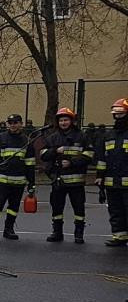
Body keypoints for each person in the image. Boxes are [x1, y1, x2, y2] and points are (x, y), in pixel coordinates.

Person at [40, 107, 92, 244]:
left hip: (76, 181)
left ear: (71, 121)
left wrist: (71, 162)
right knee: (57, 207)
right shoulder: (52, 138)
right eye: (61, 120)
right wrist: (55, 151)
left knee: (79, 208)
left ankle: (79, 234)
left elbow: (89, 155)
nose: (63, 123)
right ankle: (57, 232)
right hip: (58, 180)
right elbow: (43, 155)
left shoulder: (81, 136)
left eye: (66, 120)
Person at [0, 114, 36, 241]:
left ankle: (9, 229)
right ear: (7, 124)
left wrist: (31, 183)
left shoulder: (26, 142)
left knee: (13, 208)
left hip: (19, 182)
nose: (13, 125)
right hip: (1, 181)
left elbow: (30, 164)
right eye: (10, 122)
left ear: (21, 124)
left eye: (16, 122)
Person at [94, 98, 128, 247]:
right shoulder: (108, 135)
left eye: (121, 114)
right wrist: (99, 177)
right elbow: (102, 159)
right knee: (115, 210)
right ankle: (120, 236)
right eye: (116, 114)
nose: (117, 117)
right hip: (111, 182)